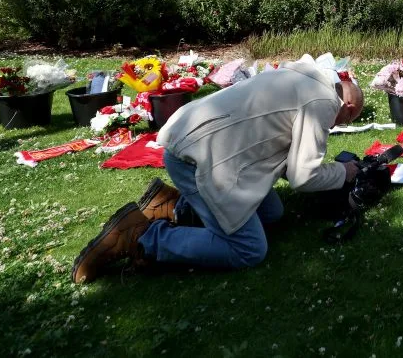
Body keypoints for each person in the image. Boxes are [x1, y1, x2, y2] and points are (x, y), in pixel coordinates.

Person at [72, 60, 364, 284]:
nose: (336, 127)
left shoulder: (300, 76)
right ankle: (141, 237)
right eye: (346, 120)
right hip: (199, 160)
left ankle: (172, 207)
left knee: (271, 212)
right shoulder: (324, 101)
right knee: (249, 249)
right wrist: (343, 172)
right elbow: (304, 178)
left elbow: (285, 157)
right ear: (347, 107)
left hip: (189, 139)